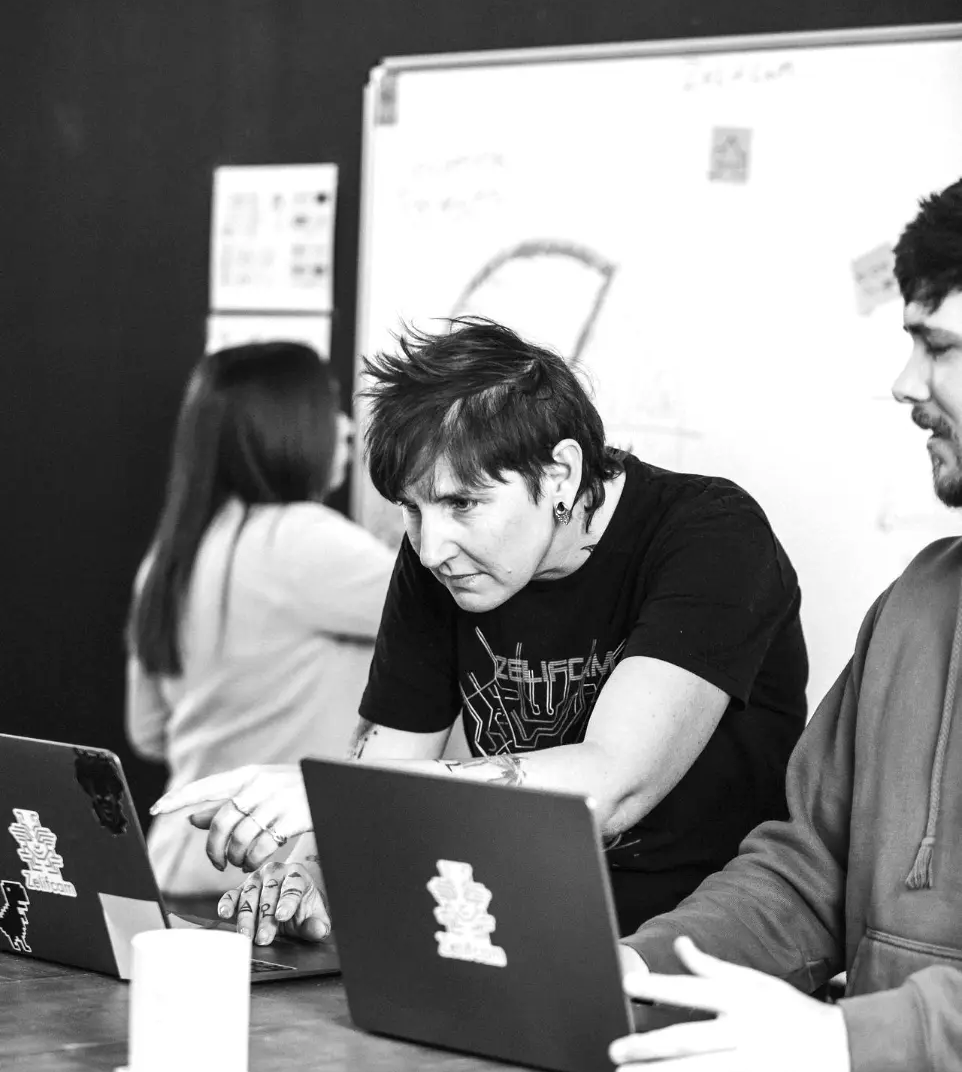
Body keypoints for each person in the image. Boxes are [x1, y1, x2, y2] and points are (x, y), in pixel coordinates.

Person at [152, 318, 808, 942]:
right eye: (412, 508)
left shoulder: (710, 534)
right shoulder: (442, 560)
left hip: (694, 949)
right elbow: (386, 764)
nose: (432, 547)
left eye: (462, 502)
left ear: (560, 474)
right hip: (516, 933)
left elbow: (612, 782)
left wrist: (334, 796)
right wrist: (312, 872)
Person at [607, 178, 962, 1072]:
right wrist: (640, 969)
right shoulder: (918, 600)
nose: (904, 382)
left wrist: (849, 1044)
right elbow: (807, 867)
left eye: (938, 344)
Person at [126, 341, 396, 897]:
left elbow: (148, 731)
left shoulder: (170, 557)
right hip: (265, 876)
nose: (347, 427)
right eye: (329, 408)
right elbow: (452, 599)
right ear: (285, 427)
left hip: (175, 865)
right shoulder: (301, 539)